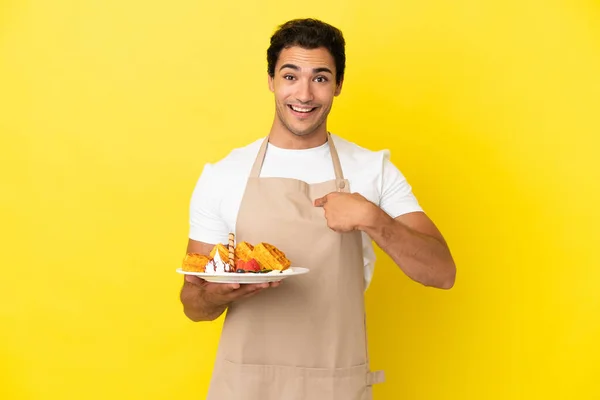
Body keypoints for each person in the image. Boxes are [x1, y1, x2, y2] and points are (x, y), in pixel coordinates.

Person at [180, 18, 456, 400]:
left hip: (335, 384)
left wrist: (374, 220)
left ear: (338, 85)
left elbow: (442, 273)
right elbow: (193, 304)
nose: (304, 94)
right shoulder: (224, 174)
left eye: (321, 78)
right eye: (290, 76)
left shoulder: (370, 169)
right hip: (245, 386)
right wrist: (217, 295)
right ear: (271, 80)